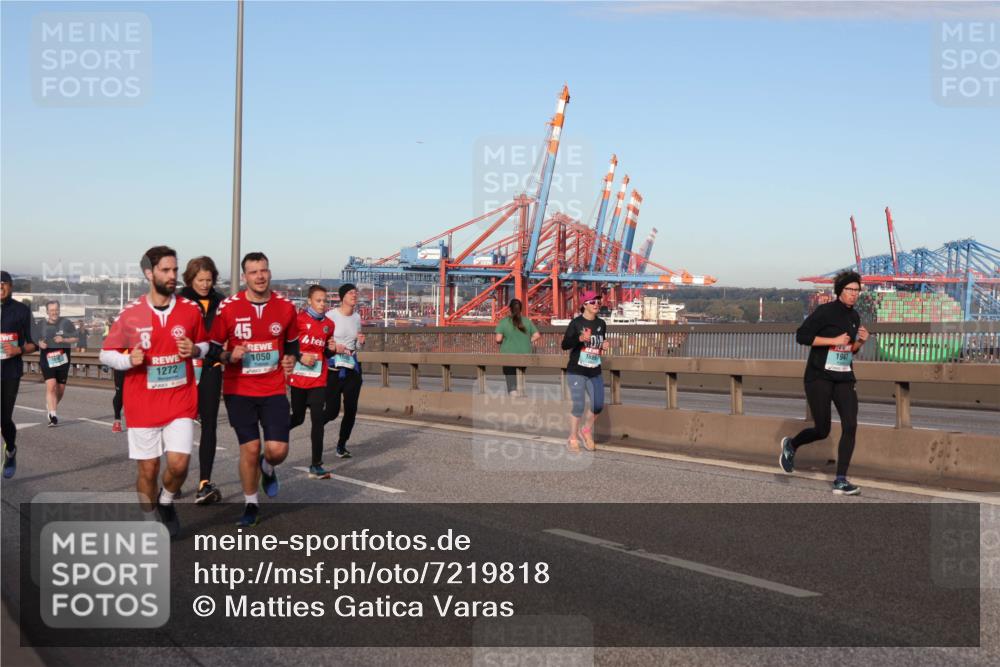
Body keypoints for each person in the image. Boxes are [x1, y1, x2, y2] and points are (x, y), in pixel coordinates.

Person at [99, 246, 209, 537]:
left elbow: (206, 343)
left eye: (175, 270)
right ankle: (150, 521)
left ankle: (167, 500)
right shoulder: (131, 314)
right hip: (143, 405)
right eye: (166, 270)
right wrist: (127, 360)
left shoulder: (190, 310)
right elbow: (105, 354)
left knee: (180, 463)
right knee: (148, 471)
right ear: (150, 273)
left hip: (180, 400)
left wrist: (196, 349)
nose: (173, 275)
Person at [209, 252, 298, 527]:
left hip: (273, 388)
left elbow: (292, 342)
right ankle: (250, 505)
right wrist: (228, 356)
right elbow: (211, 348)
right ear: (244, 276)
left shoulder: (285, 307)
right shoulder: (229, 308)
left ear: (269, 273)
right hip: (239, 390)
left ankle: (268, 466)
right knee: (249, 448)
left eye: (264, 270)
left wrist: (291, 357)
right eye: (253, 272)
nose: (260, 276)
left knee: (277, 450)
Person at [779, 270, 869, 496]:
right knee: (822, 429)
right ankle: (791, 445)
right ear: (840, 291)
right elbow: (802, 336)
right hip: (819, 376)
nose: (853, 294)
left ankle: (841, 479)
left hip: (844, 377)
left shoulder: (854, 317)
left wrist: (859, 342)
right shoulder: (825, 312)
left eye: (857, 290)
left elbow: (848, 351)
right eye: (849, 289)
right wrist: (833, 340)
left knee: (850, 425)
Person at [180, 256, 226, 504]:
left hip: (210, 367)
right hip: (183, 369)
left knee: (210, 424)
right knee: (180, 426)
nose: (206, 284)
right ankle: (174, 477)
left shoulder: (221, 301)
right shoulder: (179, 299)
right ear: (190, 279)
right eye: (200, 280)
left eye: (209, 280)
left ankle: (204, 483)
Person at [289, 285, 337, 479]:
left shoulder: (329, 325)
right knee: (298, 418)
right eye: (318, 300)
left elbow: (325, 351)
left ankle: (316, 464)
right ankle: (273, 439)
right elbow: (287, 345)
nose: (322, 304)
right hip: (299, 378)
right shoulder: (298, 320)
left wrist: (331, 349)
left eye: (325, 301)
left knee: (318, 420)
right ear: (309, 301)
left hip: (318, 379)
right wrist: (300, 357)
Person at [560, 290, 609, 452]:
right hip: (577, 370)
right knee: (579, 405)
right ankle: (573, 437)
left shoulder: (601, 324)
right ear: (584, 305)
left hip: (594, 370)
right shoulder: (576, 324)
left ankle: (586, 430)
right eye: (593, 302)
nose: (597, 304)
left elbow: (598, 343)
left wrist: (604, 345)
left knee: (598, 405)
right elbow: (565, 344)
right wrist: (579, 339)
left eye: (598, 301)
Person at [2, 270, 37, 479]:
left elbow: (34, 343)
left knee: (4, 419)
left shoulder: (22, 311)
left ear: (11, 287)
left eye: (3, 284)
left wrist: (18, 350)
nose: (0, 287)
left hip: (9, 373)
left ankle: (11, 450)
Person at [324, 283, 365, 459]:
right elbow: (322, 340)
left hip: (352, 369)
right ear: (342, 297)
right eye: (350, 293)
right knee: (332, 411)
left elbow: (356, 345)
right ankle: (317, 425)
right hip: (333, 368)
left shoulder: (357, 318)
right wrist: (333, 348)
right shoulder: (330, 316)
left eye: (355, 293)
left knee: (351, 410)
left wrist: (360, 343)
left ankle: (341, 445)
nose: (354, 295)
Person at [33, 300, 79, 426]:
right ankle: (53, 415)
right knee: (51, 385)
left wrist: (63, 339)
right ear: (47, 312)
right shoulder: (41, 324)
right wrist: (39, 343)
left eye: (56, 310)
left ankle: (50, 405)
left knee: (60, 390)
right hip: (47, 360)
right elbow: (34, 338)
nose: (54, 312)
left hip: (62, 360)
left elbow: (76, 338)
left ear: (59, 310)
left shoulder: (66, 323)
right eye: (52, 310)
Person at [494, 298, 541, 396]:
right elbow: (537, 335)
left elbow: (498, 339)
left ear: (509, 309)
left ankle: (513, 394)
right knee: (521, 373)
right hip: (525, 353)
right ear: (521, 309)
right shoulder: (527, 321)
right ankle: (521, 392)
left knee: (511, 376)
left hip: (508, 354)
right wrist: (528, 340)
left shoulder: (504, 322)